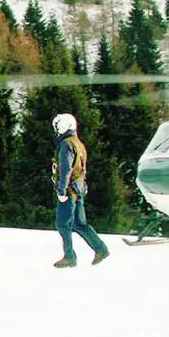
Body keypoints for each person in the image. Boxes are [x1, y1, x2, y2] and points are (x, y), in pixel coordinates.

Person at [51, 113, 109, 268]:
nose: (56, 129)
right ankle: (101, 249)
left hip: (69, 191)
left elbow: (65, 169)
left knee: (63, 223)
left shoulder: (66, 145)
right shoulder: (78, 143)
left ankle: (69, 256)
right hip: (79, 189)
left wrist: (61, 191)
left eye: (57, 126)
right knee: (79, 223)